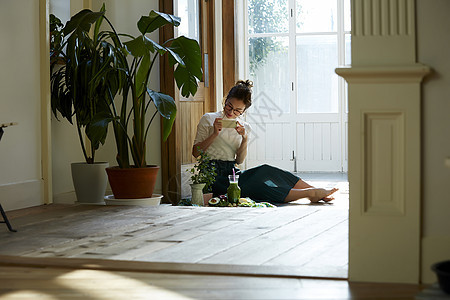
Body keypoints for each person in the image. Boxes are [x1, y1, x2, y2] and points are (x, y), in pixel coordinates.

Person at [192, 80, 338, 204]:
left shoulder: (244, 127)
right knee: (259, 187)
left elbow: (239, 160)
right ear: (226, 100)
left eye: (237, 111)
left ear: (243, 111)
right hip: (211, 174)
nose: (231, 112)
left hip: (232, 173)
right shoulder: (209, 119)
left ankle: (312, 190)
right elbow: (195, 153)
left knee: (265, 170)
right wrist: (214, 134)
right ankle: (310, 193)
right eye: (229, 106)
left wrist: (245, 138)